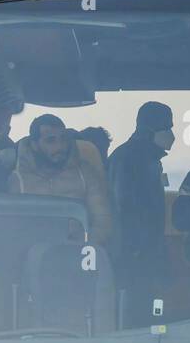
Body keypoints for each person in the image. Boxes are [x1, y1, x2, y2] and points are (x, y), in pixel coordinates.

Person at [107, 101, 175, 325]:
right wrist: (136, 247)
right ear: (150, 130)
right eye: (167, 127)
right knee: (137, 310)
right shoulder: (133, 158)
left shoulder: (145, 157)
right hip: (133, 250)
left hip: (143, 248)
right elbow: (123, 205)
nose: (172, 135)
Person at [9, 114, 113, 245]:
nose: (60, 146)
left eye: (63, 139)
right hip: (34, 257)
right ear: (34, 145)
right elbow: (13, 230)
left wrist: (84, 245)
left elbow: (102, 222)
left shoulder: (85, 174)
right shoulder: (18, 180)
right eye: (50, 140)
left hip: (81, 255)